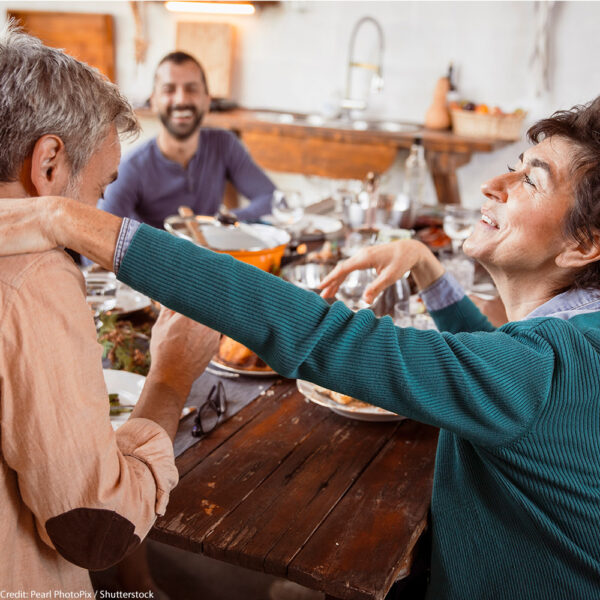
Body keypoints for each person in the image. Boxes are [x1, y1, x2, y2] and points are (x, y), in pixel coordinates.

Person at [2, 97, 600, 599]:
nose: (494, 185)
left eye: (529, 178)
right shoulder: (568, 349)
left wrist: (68, 219)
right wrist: (425, 268)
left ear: (584, 243)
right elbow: (492, 366)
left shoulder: (546, 368)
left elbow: (328, 335)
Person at [0, 25, 220, 594]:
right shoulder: (36, 278)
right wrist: (170, 378)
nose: (99, 213)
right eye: (99, 192)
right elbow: (96, 529)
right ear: (48, 163)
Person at [98, 51, 276, 228]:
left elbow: (272, 201)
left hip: (211, 253)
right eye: (169, 90)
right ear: (153, 102)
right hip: (156, 256)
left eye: (192, 89)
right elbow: (98, 235)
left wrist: (221, 223)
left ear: (207, 101)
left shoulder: (224, 144)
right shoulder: (131, 168)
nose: (181, 99)